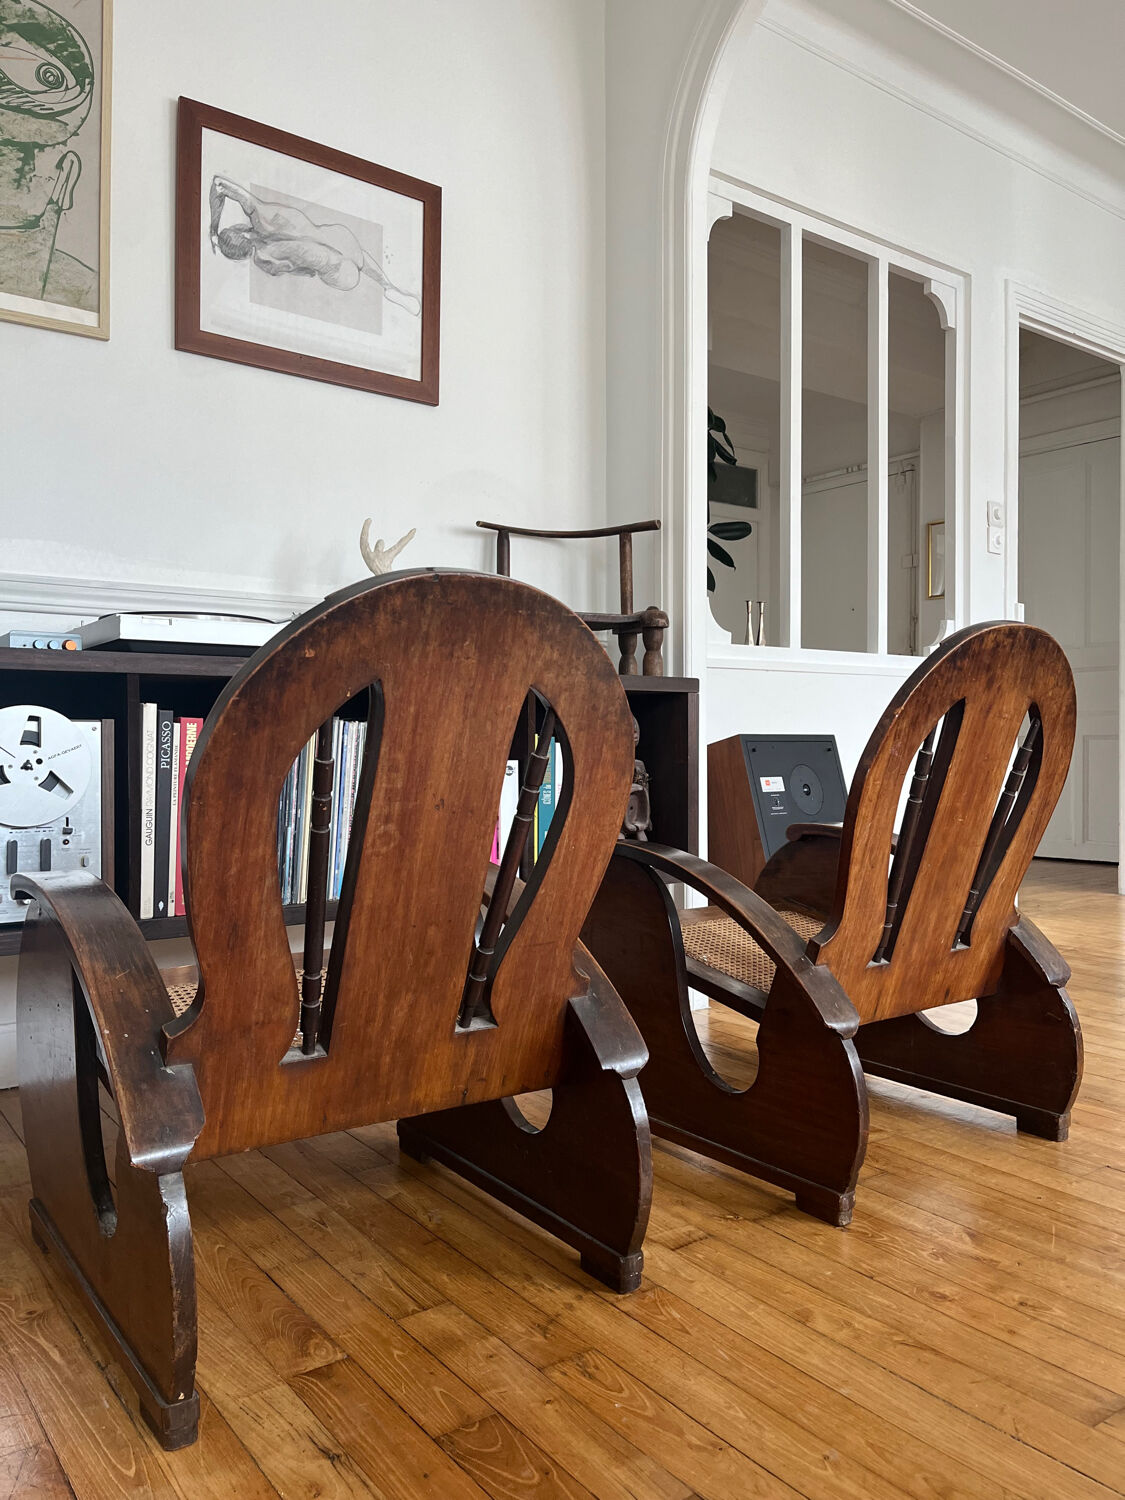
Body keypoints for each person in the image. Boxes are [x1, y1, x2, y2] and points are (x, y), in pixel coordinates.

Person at [208, 175, 420, 314]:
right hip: (342, 238)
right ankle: (388, 286)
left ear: (242, 254)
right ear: (240, 229)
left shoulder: (263, 258)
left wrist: (308, 269)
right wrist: (213, 229)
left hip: (340, 273)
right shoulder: (262, 213)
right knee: (356, 255)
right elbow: (219, 185)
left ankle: (387, 288)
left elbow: (302, 271)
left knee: (326, 263)